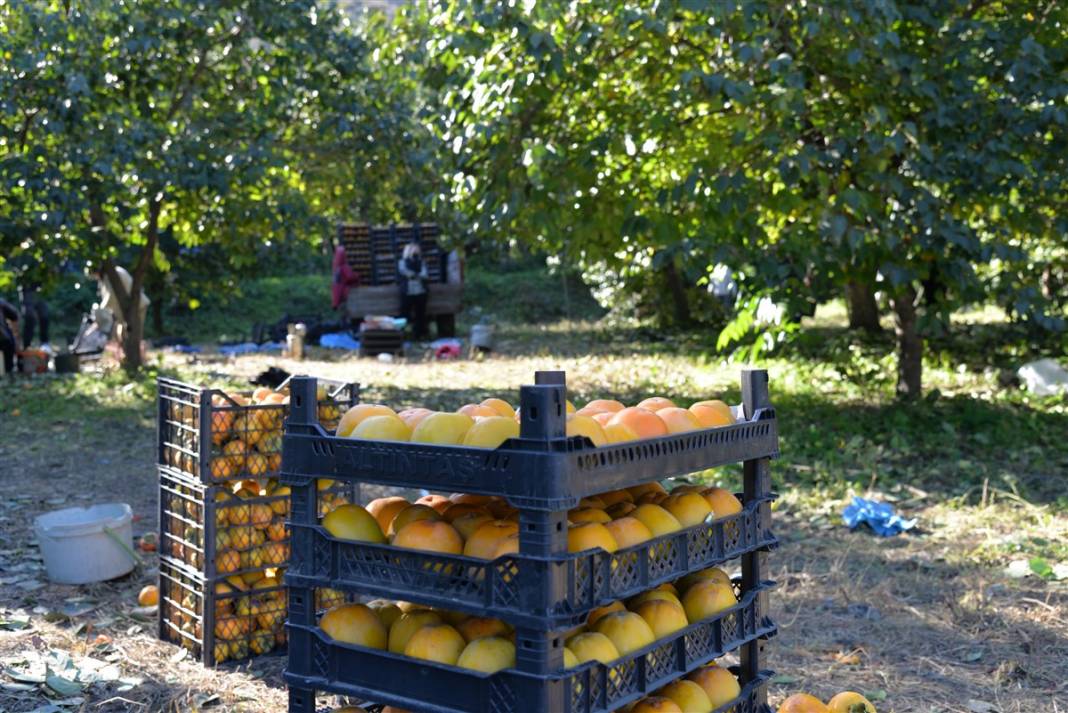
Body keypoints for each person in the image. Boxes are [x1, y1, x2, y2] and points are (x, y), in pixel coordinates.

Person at [94, 264, 150, 345]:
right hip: (126, 310)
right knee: (122, 335)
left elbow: (111, 297)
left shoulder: (113, 274)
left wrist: (101, 310)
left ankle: (134, 355)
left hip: (137, 307)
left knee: (133, 336)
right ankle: (125, 355)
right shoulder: (109, 275)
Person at [397, 239, 429, 339]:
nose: (415, 251)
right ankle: (401, 335)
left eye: (416, 249)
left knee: (420, 315)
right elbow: (405, 272)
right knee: (404, 315)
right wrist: (416, 275)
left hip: (420, 292)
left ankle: (418, 335)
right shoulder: (402, 262)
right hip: (407, 292)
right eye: (412, 249)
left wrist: (415, 275)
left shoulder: (421, 262)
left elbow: (424, 275)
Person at [18, 281, 50, 353]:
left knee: (44, 316)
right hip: (26, 290)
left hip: (40, 289)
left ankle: (45, 343)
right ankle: (27, 345)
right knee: (30, 318)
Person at [331, 245, 360, 312]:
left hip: (338, 294)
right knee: (346, 310)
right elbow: (350, 277)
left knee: (343, 312)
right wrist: (357, 275)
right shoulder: (344, 267)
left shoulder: (336, 266)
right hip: (344, 292)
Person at [0, 298, 20, 379]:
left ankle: (8, 372)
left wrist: (15, 335)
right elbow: (15, 316)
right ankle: (9, 372)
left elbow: (14, 316)